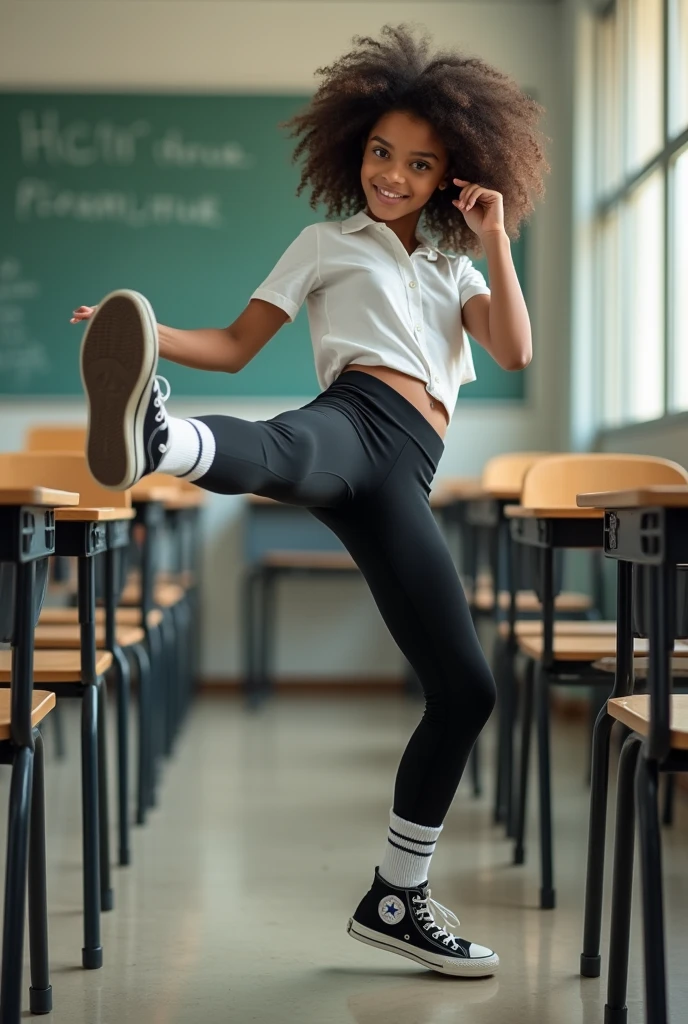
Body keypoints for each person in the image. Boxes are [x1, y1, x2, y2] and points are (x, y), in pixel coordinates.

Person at [72, 24, 548, 978]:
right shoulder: (326, 243)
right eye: (380, 153)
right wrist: (146, 334)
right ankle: (162, 439)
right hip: (353, 417)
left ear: (452, 174)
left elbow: (513, 351)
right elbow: (240, 345)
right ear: (354, 149)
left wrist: (495, 238)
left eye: (419, 164)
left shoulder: (457, 270)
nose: (392, 175)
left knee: (467, 688)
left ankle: (396, 894)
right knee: (290, 447)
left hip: (408, 468)